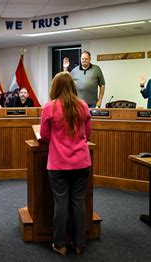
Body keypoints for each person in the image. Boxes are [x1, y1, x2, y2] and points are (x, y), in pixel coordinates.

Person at [39, 72, 92, 256]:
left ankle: (60, 244)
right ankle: (79, 244)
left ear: (55, 87)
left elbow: (45, 136)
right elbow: (88, 133)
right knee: (78, 203)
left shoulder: (49, 107)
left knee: (60, 204)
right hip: (82, 162)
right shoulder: (83, 106)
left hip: (59, 164)